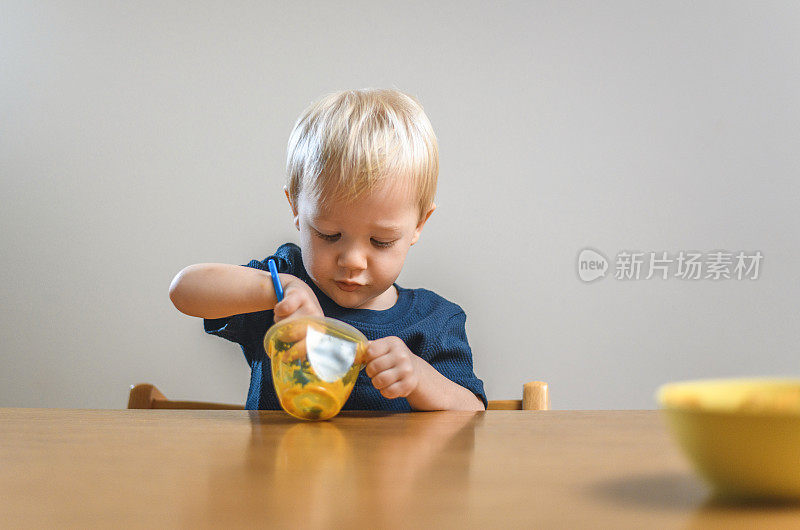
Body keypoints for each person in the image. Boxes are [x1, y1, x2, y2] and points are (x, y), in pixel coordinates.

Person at [169, 88, 486, 411]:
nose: (352, 261)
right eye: (329, 234)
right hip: (275, 463)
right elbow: (183, 290)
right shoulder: (284, 287)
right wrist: (278, 288)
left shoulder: (435, 321)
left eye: (381, 241)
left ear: (419, 224)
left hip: (390, 464)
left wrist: (420, 377)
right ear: (295, 207)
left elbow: (473, 413)